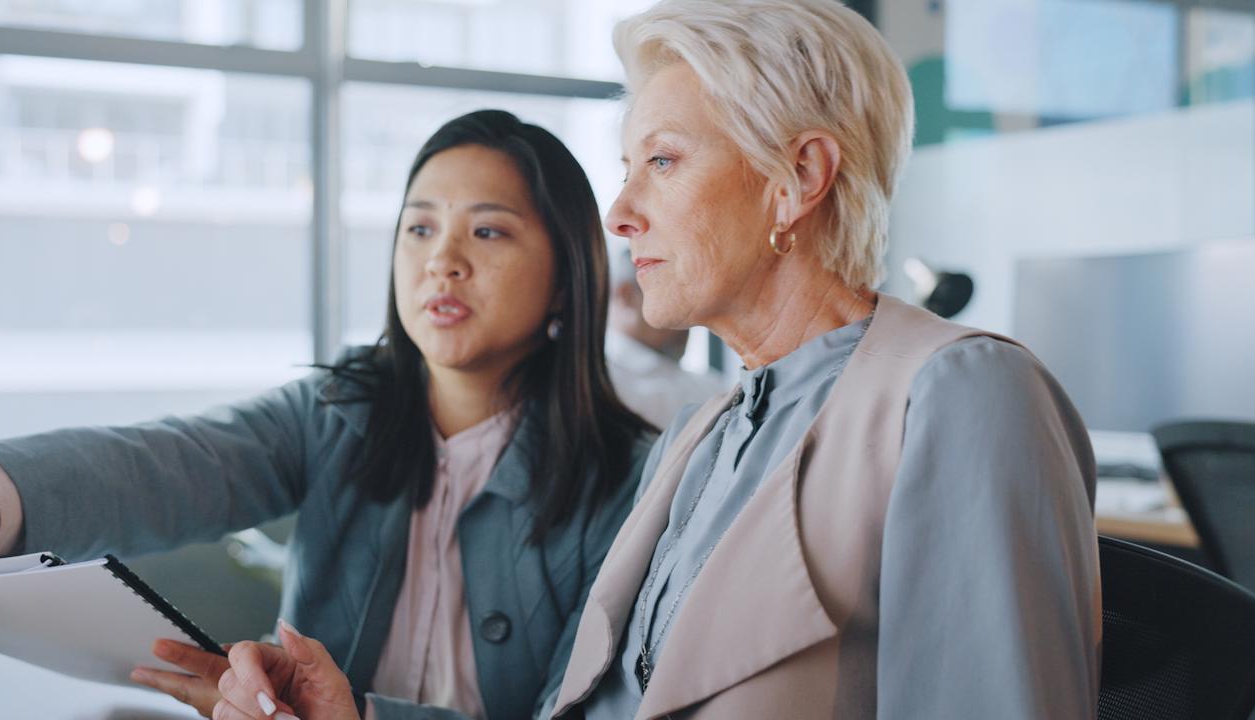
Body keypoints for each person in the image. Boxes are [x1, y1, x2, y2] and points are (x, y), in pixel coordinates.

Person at [210, 2, 1101, 719]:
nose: (620, 212)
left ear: (798, 178)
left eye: (663, 162)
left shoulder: (958, 392)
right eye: (629, 166)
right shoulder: (704, 432)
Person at [0, 109, 654, 720]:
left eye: (488, 230)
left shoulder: (634, 482)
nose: (442, 258)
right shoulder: (337, 412)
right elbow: (160, 468)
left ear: (565, 278)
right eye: (418, 227)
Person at [605, 245, 731, 428]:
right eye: (676, 292)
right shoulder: (604, 384)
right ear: (625, 295)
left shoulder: (712, 387)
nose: (689, 314)